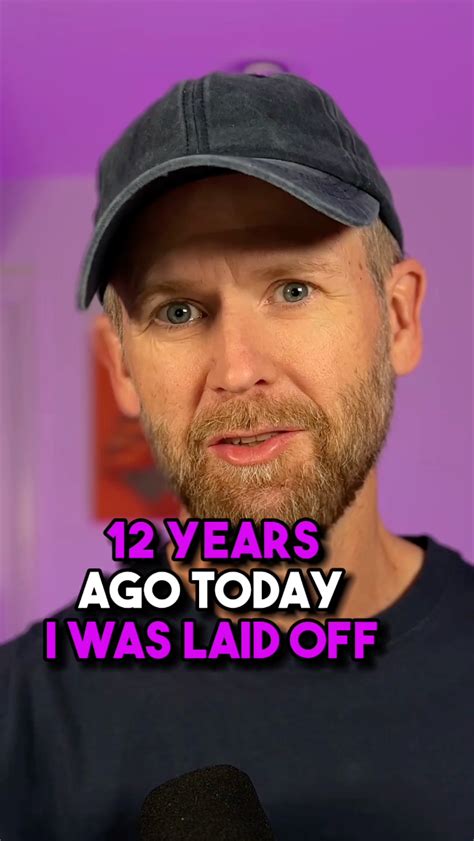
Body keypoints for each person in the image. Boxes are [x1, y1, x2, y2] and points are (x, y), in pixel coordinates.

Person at [1, 71, 473, 841]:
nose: (237, 369)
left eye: (292, 289)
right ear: (123, 369)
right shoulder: (22, 724)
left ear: (398, 318)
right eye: (178, 310)